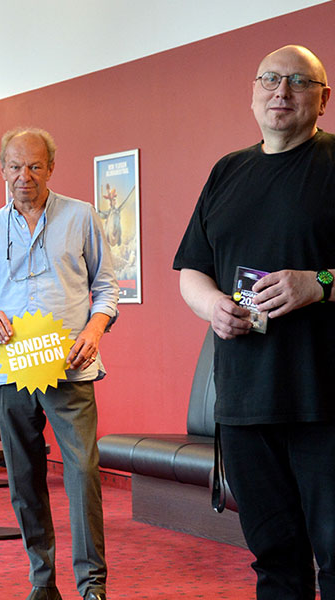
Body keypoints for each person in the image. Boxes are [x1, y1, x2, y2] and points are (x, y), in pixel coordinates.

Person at [174, 44, 334, 599]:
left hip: (324, 403)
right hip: (244, 405)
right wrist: (211, 304)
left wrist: (322, 283)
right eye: (269, 79)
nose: (280, 92)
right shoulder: (227, 172)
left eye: (297, 81)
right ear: (252, 93)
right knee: (273, 559)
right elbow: (191, 271)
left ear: (323, 98)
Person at [0, 128, 118, 600]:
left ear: (51, 168)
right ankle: (42, 582)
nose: (23, 176)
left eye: (34, 166)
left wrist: (93, 333)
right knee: (24, 479)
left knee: (82, 474)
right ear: (2, 169)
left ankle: (92, 584)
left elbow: (108, 287)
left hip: (70, 368)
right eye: (14, 166)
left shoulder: (81, 217)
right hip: (12, 369)